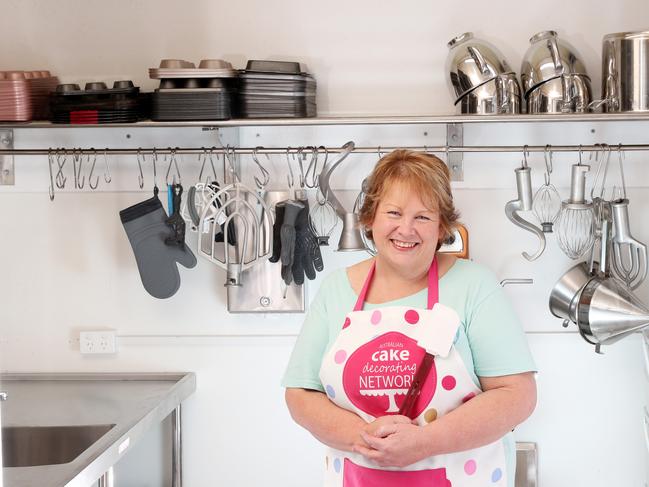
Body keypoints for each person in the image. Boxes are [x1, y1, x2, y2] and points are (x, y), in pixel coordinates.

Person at [282, 149, 537, 487]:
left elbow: (517, 396)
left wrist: (424, 442)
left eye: (422, 217)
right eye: (394, 212)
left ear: (442, 226)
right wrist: (364, 436)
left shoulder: (474, 286)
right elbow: (300, 395)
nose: (406, 229)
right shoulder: (335, 291)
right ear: (370, 218)